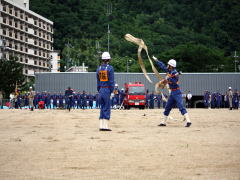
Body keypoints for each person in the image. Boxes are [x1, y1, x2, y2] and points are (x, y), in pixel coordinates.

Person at [153, 56, 191, 127]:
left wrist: (168, 79)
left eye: (168, 65)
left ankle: (188, 121)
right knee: (167, 107)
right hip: (172, 93)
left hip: (177, 92)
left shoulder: (175, 74)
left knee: (180, 106)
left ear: (171, 66)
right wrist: (156, 60)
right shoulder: (169, 71)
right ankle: (163, 122)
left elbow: (174, 82)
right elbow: (162, 66)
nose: (167, 65)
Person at [96, 51, 115, 131]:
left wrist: (99, 90)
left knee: (102, 107)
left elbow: (98, 82)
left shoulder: (98, 69)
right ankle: (105, 126)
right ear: (109, 59)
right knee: (107, 107)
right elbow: (111, 81)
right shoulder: (110, 68)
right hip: (107, 89)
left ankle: (101, 125)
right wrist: (112, 91)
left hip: (100, 90)